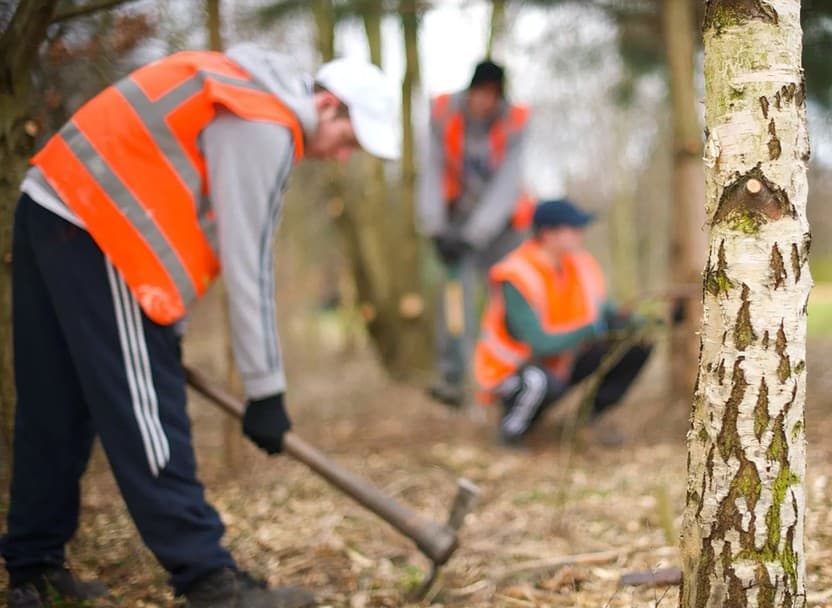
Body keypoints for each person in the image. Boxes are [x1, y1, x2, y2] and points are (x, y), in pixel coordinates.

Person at [1, 44, 400, 608]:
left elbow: (184, 219)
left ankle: (34, 567)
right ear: (329, 105)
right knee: (151, 416)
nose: (340, 156)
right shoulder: (264, 122)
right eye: (349, 140)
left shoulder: (237, 86)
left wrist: (169, 324)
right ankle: (209, 581)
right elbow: (248, 259)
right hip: (101, 226)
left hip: (52, 201)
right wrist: (265, 390)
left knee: (55, 404)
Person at [473, 199, 653, 447]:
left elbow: (603, 308)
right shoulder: (516, 275)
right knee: (536, 381)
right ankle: (511, 431)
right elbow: (540, 344)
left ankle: (586, 421)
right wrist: (591, 329)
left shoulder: (579, 265)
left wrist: (639, 322)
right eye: (574, 228)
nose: (581, 234)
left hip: (562, 365)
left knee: (635, 346)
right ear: (549, 234)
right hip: (513, 374)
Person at [418, 59, 535, 408]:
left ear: (500, 98)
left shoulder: (515, 121)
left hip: (503, 226)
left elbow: (506, 185)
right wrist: (435, 227)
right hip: (455, 222)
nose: (485, 101)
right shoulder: (443, 112)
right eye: (480, 93)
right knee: (454, 298)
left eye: (492, 95)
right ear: (470, 91)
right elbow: (431, 170)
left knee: (511, 297)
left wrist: (475, 234)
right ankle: (454, 380)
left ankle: (515, 377)